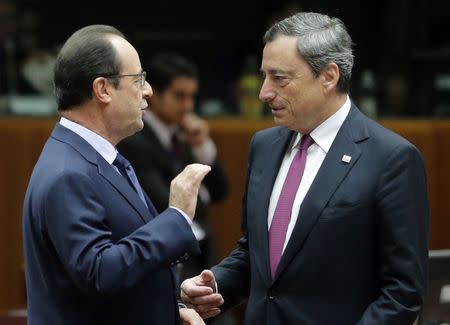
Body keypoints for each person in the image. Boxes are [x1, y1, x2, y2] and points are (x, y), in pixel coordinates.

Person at [180, 12, 429, 324]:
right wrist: (213, 284)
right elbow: (256, 253)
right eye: (264, 76)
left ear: (329, 76)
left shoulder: (391, 159)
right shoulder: (264, 146)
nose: (264, 92)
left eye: (280, 78)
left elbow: (402, 292)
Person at [22, 24, 208, 325]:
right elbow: (98, 273)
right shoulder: (69, 172)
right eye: (138, 79)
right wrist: (176, 217)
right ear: (103, 89)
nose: (147, 91)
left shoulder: (100, 157)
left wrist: (170, 308)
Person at [117, 53, 229, 283]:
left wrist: (201, 146)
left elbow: (221, 191)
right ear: (154, 94)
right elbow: (164, 202)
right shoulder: (133, 140)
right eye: (179, 96)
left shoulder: (185, 135)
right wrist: (201, 199)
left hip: (202, 253)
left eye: (192, 97)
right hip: (167, 260)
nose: (188, 106)